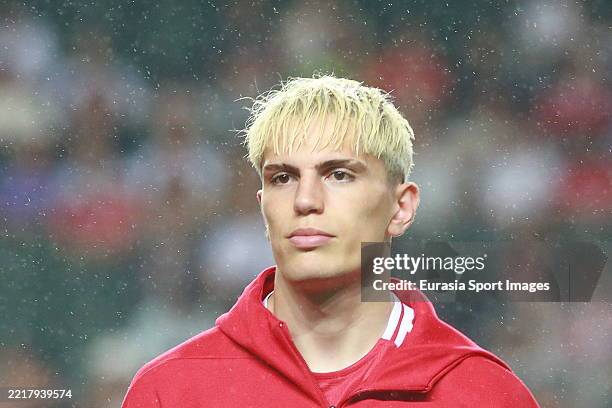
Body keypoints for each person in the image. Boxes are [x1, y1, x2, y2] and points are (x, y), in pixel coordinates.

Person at [121, 75, 539, 407]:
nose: (305, 200)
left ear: (401, 208)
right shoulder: (171, 392)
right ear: (263, 208)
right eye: (283, 178)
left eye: (339, 174)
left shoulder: (484, 394)